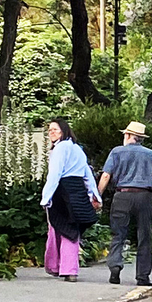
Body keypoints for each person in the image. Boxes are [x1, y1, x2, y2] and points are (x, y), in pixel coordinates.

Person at [98, 120, 152, 287]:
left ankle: (115, 267)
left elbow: (106, 176)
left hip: (122, 196)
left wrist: (97, 195)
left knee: (118, 233)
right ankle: (142, 277)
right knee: (144, 236)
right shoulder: (150, 154)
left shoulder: (116, 152)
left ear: (128, 136)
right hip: (144, 197)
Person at [39, 119, 99, 282]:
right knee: (71, 228)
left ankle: (63, 267)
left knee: (62, 228)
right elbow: (87, 173)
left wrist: (46, 197)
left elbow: (55, 174)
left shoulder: (60, 149)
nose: (51, 132)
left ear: (64, 131)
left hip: (62, 191)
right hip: (78, 190)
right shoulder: (77, 149)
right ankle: (62, 267)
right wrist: (94, 195)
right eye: (50, 130)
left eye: (55, 129)